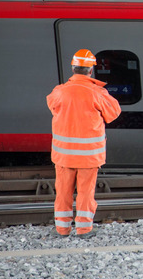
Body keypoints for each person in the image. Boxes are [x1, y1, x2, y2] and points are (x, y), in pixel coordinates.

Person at [46, 49, 122, 238]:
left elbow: (52, 107)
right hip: (89, 156)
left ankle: (62, 229)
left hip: (63, 155)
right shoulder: (98, 93)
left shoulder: (59, 92)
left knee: (62, 192)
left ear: (73, 68)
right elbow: (114, 114)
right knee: (85, 194)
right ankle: (84, 229)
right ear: (91, 71)